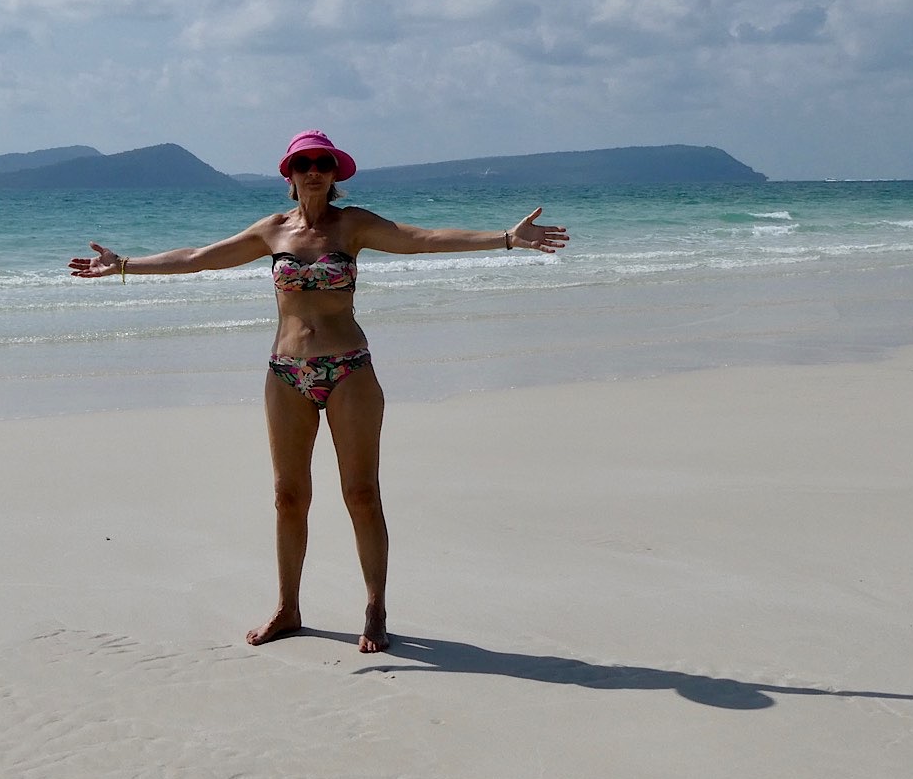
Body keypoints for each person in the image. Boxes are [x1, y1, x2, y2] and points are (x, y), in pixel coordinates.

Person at [69, 130, 568, 653]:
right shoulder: (272, 230)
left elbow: (423, 237)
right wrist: (123, 265)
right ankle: (288, 608)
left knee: (361, 493)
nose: (313, 171)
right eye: (303, 163)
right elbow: (198, 256)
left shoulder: (352, 224)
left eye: (322, 163)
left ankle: (375, 608)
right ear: (289, 173)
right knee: (288, 497)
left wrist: (506, 238)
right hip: (286, 374)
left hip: (348, 370)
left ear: (335, 173)